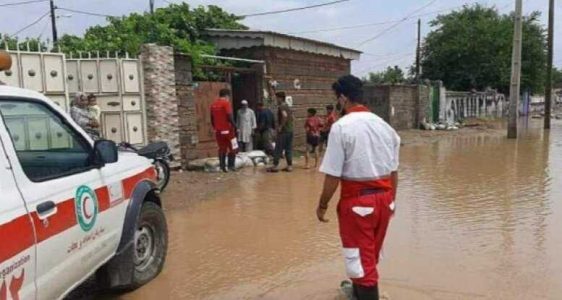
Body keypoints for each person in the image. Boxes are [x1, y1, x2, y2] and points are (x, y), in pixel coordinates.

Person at [316, 75, 400, 300]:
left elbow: (332, 175)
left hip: (358, 203)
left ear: (342, 99)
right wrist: (392, 203)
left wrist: (322, 205)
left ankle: (364, 293)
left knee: (360, 261)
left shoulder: (341, 127)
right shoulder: (385, 127)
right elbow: (394, 172)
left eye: (336, 99)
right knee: (368, 256)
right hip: (384, 199)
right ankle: (357, 292)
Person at [210, 88, 238, 172]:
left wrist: (215, 127)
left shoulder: (213, 105)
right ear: (227, 96)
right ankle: (231, 166)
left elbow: (212, 118)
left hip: (218, 131)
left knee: (222, 148)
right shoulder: (226, 103)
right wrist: (235, 126)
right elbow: (229, 116)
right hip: (229, 130)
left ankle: (222, 167)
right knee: (233, 147)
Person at [268, 91, 294, 173]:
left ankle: (275, 166)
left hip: (284, 132)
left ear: (280, 98)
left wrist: (280, 127)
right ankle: (289, 166)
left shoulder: (281, 107)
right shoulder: (287, 106)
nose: (276, 100)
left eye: (277, 98)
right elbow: (292, 117)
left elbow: (285, 116)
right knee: (288, 148)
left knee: (278, 148)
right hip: (290, 130)